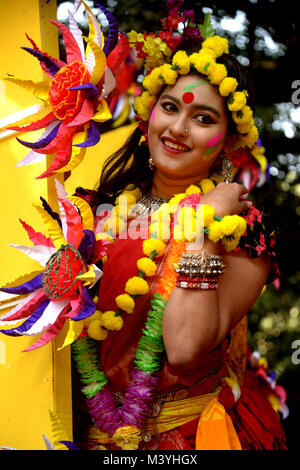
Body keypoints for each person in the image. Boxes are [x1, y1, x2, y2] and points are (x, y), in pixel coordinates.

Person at [71, 26, 287, 451]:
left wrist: (204, 226)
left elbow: (185, 347)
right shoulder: (91, 213)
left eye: (204, 118)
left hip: (186, 439)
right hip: (81, 435)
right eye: (170, 108)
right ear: (150, 113)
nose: (179, 128)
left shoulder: (242, 228)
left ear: (228, 142)